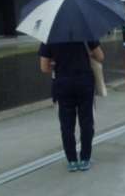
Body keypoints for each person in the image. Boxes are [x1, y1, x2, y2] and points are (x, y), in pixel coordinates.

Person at [39, 41, 104, 172]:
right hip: (84, 82)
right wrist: (87, 56)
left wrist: (57, 65)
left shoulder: (50, 37)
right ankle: (85, 159)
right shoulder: (85, 32)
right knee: (86, 121)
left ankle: (72, 161)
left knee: (66, 125)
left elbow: (44, 67)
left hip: (62, 84)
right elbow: (100, 56)